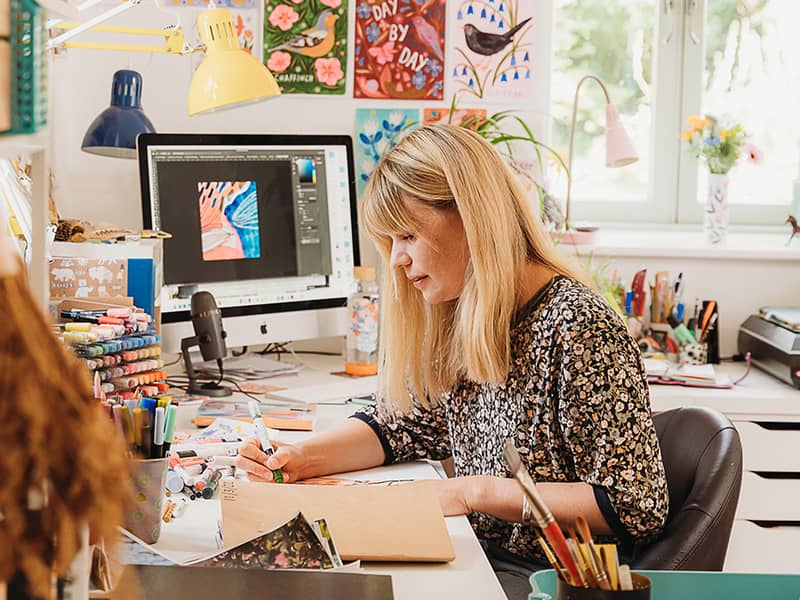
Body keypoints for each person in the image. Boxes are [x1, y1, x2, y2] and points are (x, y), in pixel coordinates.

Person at [237, 124, 668, 599]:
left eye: (407, 235)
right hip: (483, 558)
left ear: (470, 216)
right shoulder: (473, 313)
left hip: (550, 582)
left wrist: (474, 492)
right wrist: (301, 458)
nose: (397, 259)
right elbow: (404, 427)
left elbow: (633, 505)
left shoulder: (578, 326)